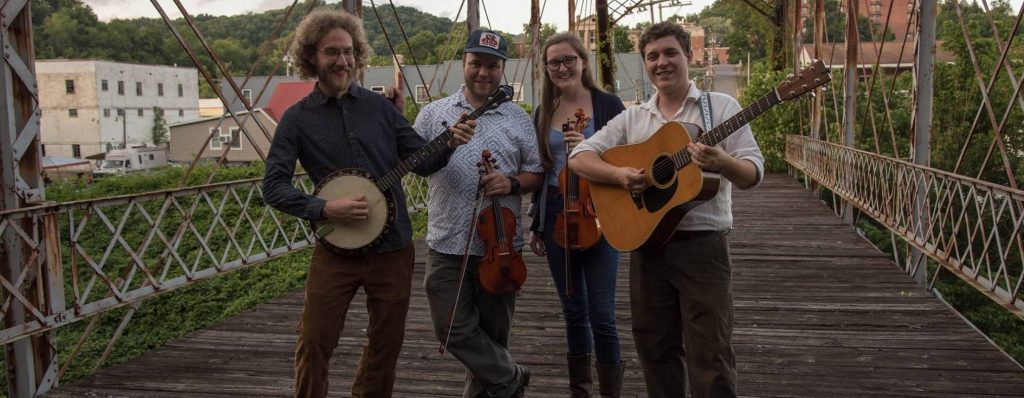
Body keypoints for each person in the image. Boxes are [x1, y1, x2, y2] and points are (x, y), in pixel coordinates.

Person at [261, 9, 476, 398]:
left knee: (385, 347)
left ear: (358, 55)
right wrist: (324, 209)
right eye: (331, 52)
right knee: (314, 341)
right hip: (336, 248)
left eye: (348, 52)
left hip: (393, 247)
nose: (342, 61)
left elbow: (422, 161)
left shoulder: (380, 110)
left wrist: (450, 142)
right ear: (312, 57)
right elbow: (272, 185)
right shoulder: (295, 120)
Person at [568, 21, 765, 398]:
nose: (662, 62)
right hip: (647, 246)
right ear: (645, 63)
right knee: (654, 348)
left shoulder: (721, 108)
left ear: (688, 56)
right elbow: (580, 157)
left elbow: (752, 173)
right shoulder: (634, 118)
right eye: (653, 56)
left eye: (671, 53)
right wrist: (620, 174)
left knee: (711, 352)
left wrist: (722, 161)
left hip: (702, 247)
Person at [417, 29, 544, 398]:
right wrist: (446, 144)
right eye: (476, 64)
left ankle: (501, 381)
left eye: (492, 65)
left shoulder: (518, 119)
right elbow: (414, 163)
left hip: (501, 247)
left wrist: (511, 184)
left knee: (491, 339)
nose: (483, 73)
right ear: (464, 64)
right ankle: (511, 377)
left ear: (503, 68)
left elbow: (536, 172)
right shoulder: (433, 113)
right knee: (450, 328)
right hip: (446, 242)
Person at [526, 32, 626, 398]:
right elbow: (543, 168)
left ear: (583, 61)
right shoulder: (543, 111)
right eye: (554, 62)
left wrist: (588, 152)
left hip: (598, 208)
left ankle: (610, 392)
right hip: (555, 209)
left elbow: (627, 157)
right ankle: (579, 390)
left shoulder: (608, 104)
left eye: (569, 59)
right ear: (547, 68)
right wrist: (536, 223)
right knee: (572, 309)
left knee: (602, 312)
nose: (562, 67)